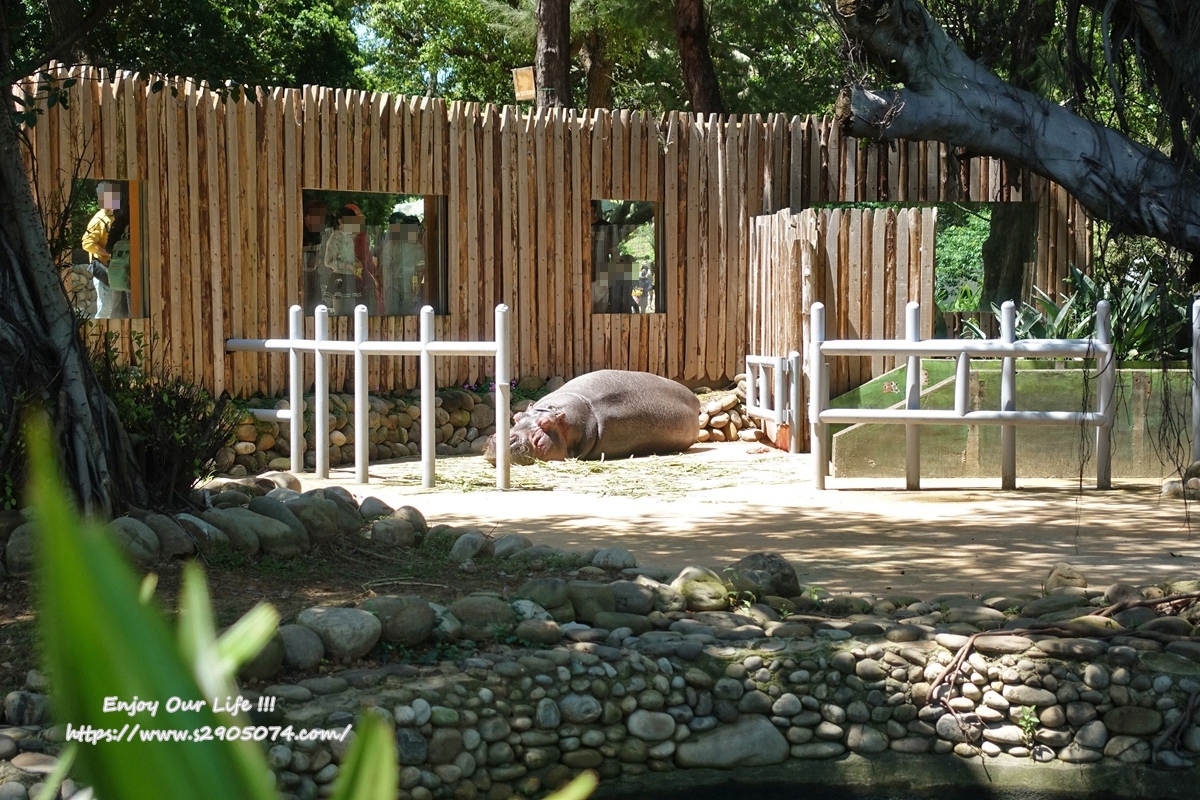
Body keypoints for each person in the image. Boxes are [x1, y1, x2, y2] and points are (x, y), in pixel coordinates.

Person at [81, 181, 130, 319]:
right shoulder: (99, 220)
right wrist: (108, 253)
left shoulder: (115, 217)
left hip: (115, 272)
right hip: (104, 272)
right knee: (105, 310)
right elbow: (87, 243)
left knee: (115, 311)